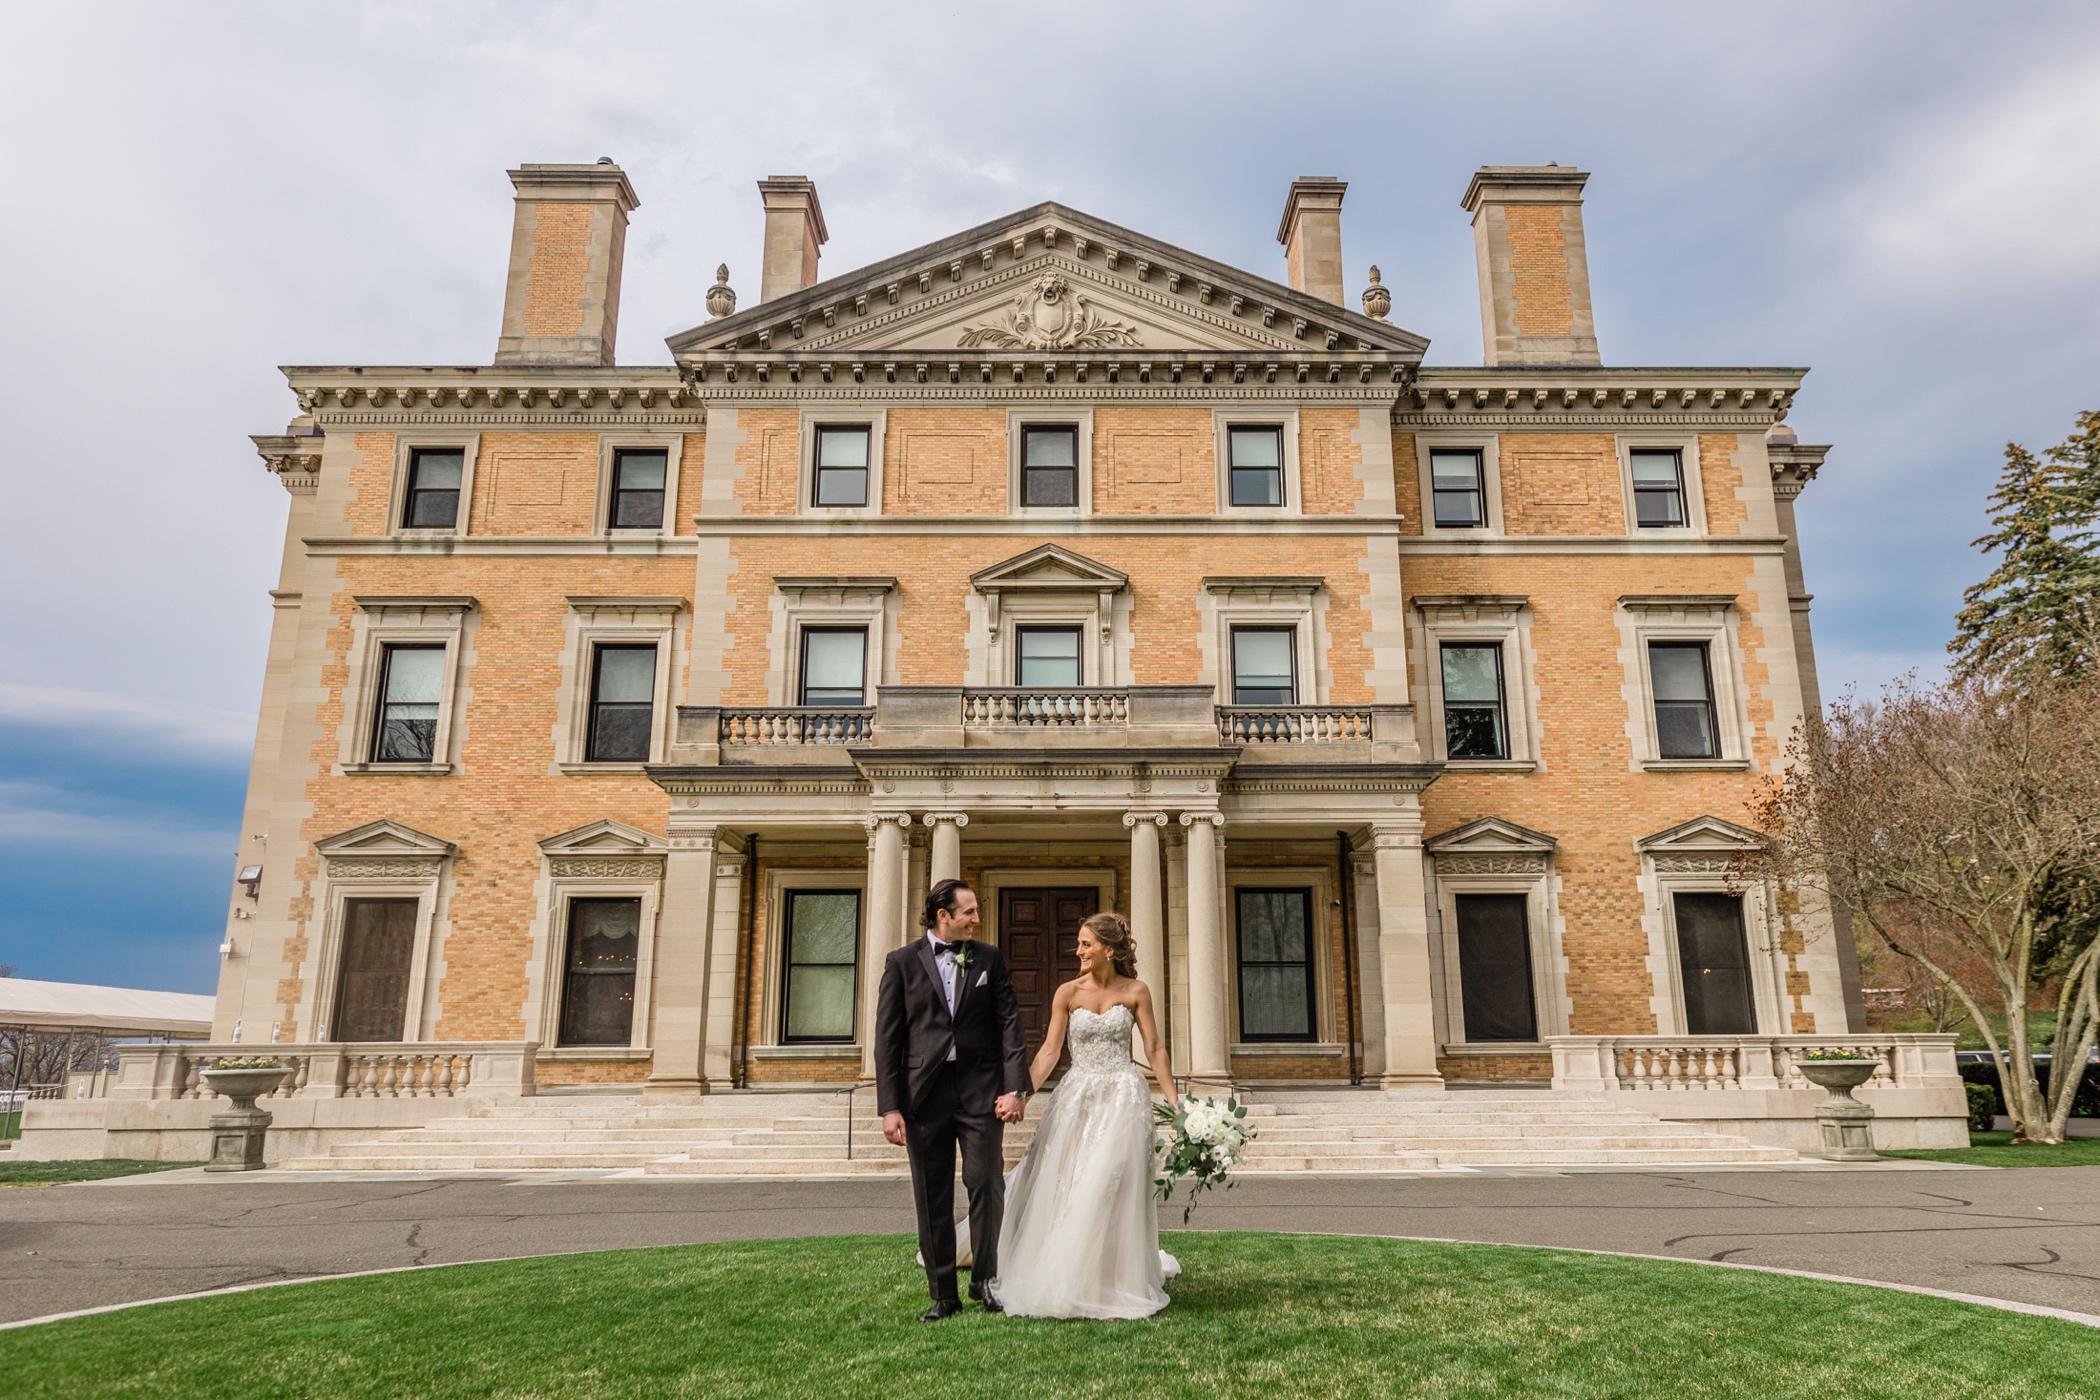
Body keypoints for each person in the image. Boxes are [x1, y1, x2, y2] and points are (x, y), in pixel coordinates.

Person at [993, 910, 1181, 1320]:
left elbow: (1155, 1049)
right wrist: (1020, 1093)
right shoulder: (1067, 992)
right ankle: (1070, 1272)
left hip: (1123, 1096)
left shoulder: (1136, 991)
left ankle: (1114, 1278)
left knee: (1113, 1179)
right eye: (1078, 943)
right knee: (1072, 1179)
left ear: (1108, 950)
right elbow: (1048, 1051)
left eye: (1085, 944)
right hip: (1078, 1096)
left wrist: (1176, 1103)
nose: (1077, 950)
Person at [874, 877, 1030, 1321]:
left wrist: (1015, 1088)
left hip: (981, 1091)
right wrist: (890, 1106)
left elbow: (1010, 1026)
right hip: (923, 1097)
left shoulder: (989, 958)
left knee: (986, 1182)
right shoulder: (902, 963)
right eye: (969, 912)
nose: (977, 919)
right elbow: (887, 1040)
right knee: (931, 1194)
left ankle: (986, 1280)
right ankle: (944, 1294)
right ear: (944, 916)